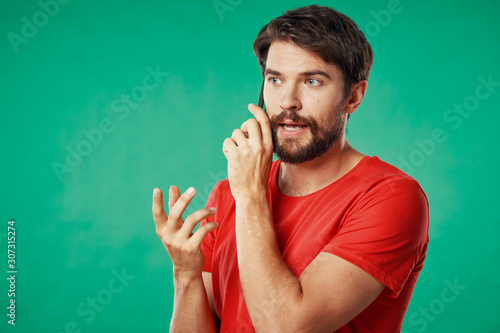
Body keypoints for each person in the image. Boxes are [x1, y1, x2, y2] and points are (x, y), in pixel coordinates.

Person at [152, 4, 429, 332]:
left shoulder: (390, 197)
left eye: (312, 81)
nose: (287, 101)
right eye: (275, 80)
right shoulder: (230, 193)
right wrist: (185, 275)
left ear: (353, 97)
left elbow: (286, 327)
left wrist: (252, 197)